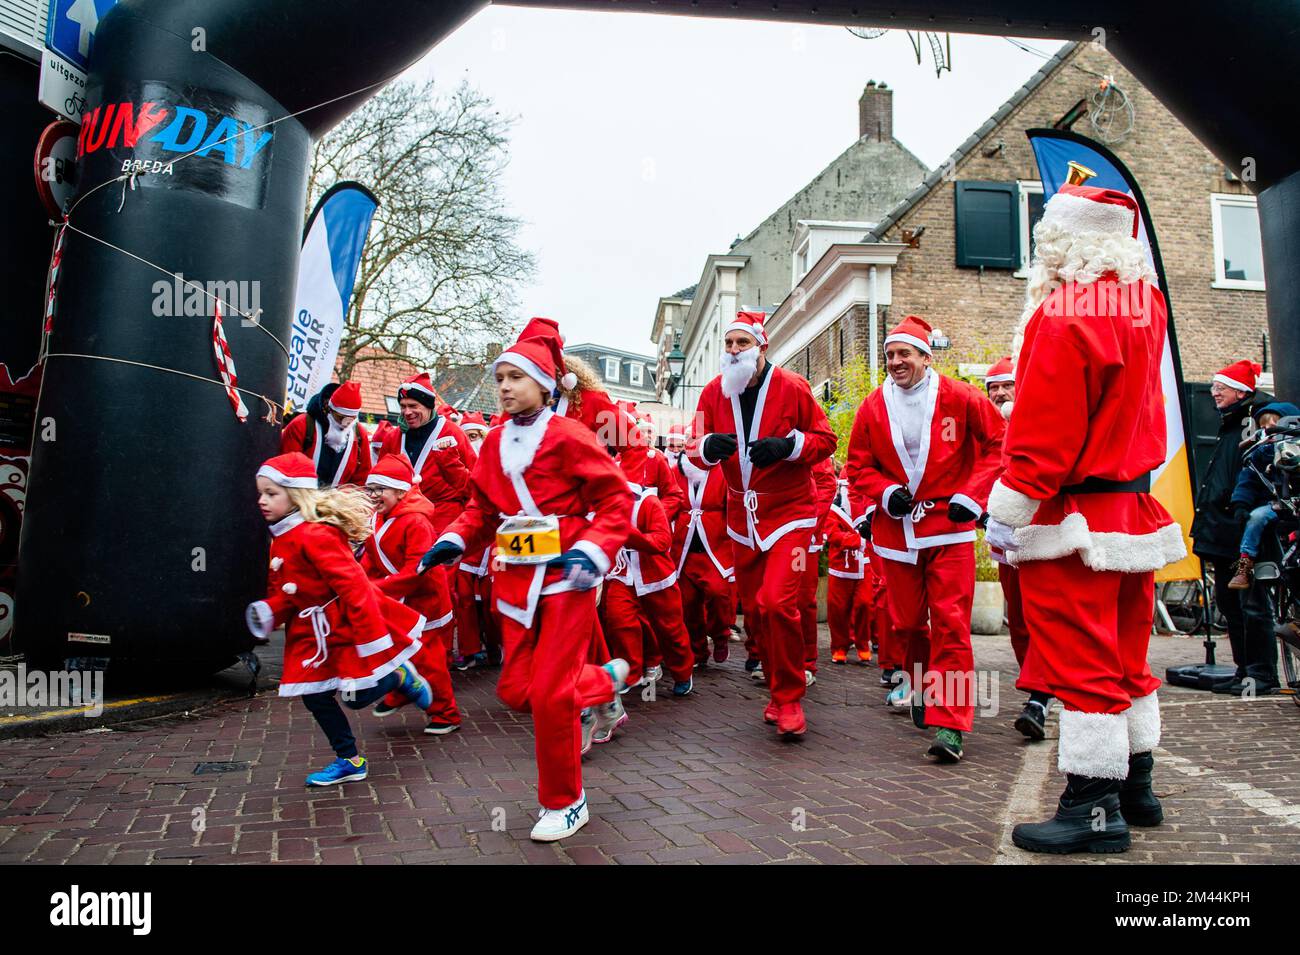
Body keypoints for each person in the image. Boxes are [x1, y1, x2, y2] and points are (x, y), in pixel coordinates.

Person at [986, 183, 1186, 853]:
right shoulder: (1147, 303)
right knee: (1127, 652)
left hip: (1073, 512)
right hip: (1132, 504)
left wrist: (1009, 505)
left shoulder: (1062, 311)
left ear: (1062, 241)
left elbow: (1046, 429)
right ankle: (1137, 784)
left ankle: (1093, 808)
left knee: (1081, 658)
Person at [419, 331, 633, 842]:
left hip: (567, 578)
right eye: (500, 379)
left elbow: (616, 502)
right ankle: (605, 681)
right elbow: (479, 509)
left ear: (543, 383)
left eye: (516, 378)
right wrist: (452, 538)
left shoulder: (572, 435)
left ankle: (566, 802)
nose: (505, 388)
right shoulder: (492, 441)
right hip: (515, 582)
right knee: (517, 691)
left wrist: (593, 551)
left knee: (554, 695)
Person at [846, 314, 1002, 762]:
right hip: (897, 533)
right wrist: (884, 492)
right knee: (909, 623)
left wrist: (974, 497)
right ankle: (917, 683)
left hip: (948, 529)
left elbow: (998, 444)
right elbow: (858, 465)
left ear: (926, 358)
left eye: (904, 354)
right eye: (890, 355)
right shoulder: (874, 406)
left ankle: (950, 723)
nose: (895, 361)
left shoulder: (962, 397)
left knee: (951, 625)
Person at [687, 311, 837, 739]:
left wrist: (789, 447)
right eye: (729, 344)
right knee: (754, 611)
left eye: (741, 344)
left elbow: (826, 440)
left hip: (790, 513)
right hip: (741, 518)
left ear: (761, 348)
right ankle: (777, 691)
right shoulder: (715, 391)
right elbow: (694, 447)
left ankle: (790, 698)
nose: (733, 351)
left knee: (777, 603)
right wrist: (706, 448)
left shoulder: (792, 387)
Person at [246, 452, 432, 786]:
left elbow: (355, 588)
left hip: (344, 624)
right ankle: (349, 760)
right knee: (314, 696)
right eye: (260, 493)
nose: (262, 501)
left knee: (357, 697)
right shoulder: (280, 537)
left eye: (271, 493)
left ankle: (399, 677)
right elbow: (286, 590)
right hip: (310, 631)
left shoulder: (317, 534)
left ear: (296, 494)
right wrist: (270, 612)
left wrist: (372, 642)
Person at [1190, 359, 1279, 696]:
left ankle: (1261, 673)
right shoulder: (1230, 424)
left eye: (1220, 387)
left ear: (1240, 391)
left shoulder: (1250, 419)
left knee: (1251, 604)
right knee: (1229, 602)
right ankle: (1246, 670)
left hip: (1240, 531)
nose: (1213, 392)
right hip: (1223, 530)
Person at [359, 454, 462, 734]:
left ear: (401, 491)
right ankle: (403, 691)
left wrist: (375, 588)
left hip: (424, 602)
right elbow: (372, 556)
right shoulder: (378, 518)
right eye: (371, 489)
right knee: (396, 650)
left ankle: (447, 714)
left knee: (430, 660)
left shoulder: (416, 522)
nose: (373, 495)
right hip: (399, 598)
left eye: (380, 489)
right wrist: (360, 579)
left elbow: (417, 570)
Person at [983, 356, 1054, 741]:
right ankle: (1037, 691)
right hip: (1004, 541)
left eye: (1006, 385)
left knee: (1044, 615)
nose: (999, 393)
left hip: (1041, 536)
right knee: (1021, 620)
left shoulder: (1039, 424)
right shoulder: (985, 430)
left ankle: (1043, 696)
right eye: (993, 387)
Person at [600, 478, 696, 698]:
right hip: (621, 572)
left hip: (655, 575)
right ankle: (630, 673)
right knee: (618, 620)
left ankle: (682, 672)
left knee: (669, 628)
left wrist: (627, 534)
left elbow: (662, 541)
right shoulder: (601, 503)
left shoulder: (649, 502)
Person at [667, 425, 735, 667]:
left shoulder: (723, 470)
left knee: (719, 596)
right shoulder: (676, 471)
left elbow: (732, 508)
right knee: (687, 604)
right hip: (684, 549)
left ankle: (720, 636)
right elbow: (670, 501)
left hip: (715, 548)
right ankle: (697, 651)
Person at [380, 373, 476, 533]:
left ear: (428, 406)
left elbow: (475, 480)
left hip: (443, 521)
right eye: (403, 406)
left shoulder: (452, 432)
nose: (407, 412)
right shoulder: (393, 437)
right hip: (400, 520)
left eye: (413, 406)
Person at [1226, 403, 1299, 596]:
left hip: (1296, 502)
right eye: (1265, 426)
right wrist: (1240, 504)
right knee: (1256, 518)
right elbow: (1247, 482)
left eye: (1274, 424)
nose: (1270, 430)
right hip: (1274, 504)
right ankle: (1244, 565)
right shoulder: (1259, 454)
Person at [280, 381, 371, 488]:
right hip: (302, 497)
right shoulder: (302, 425)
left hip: (340, 502)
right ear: (329, 409)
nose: (345, 424)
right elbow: (287, 466)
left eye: (351, 419)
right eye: (340, 417)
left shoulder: (359, 434)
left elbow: (361, 478)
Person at [825, 472, 873, 665]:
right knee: (837, 608)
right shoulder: (833, 510)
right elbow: (832, 535)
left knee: (865, 603)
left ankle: (863, 643)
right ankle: (839, 646)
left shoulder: (868, 510)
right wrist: (860, 540)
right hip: (840, 567)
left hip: (864, 564)